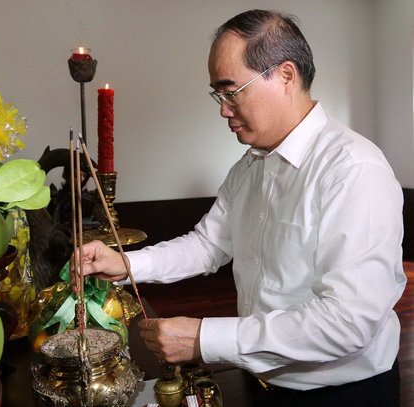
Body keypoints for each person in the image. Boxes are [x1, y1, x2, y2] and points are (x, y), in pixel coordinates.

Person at [71, 9, 406, 406]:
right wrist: (124, 264)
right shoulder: (249, 167)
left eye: (231, 91)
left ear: (285, 76)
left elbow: (348, 321)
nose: (223, 109)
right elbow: (207, 245)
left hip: (341, 395)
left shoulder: (353, 169)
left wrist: (205, 338)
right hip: (261, 382)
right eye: (218, 94)